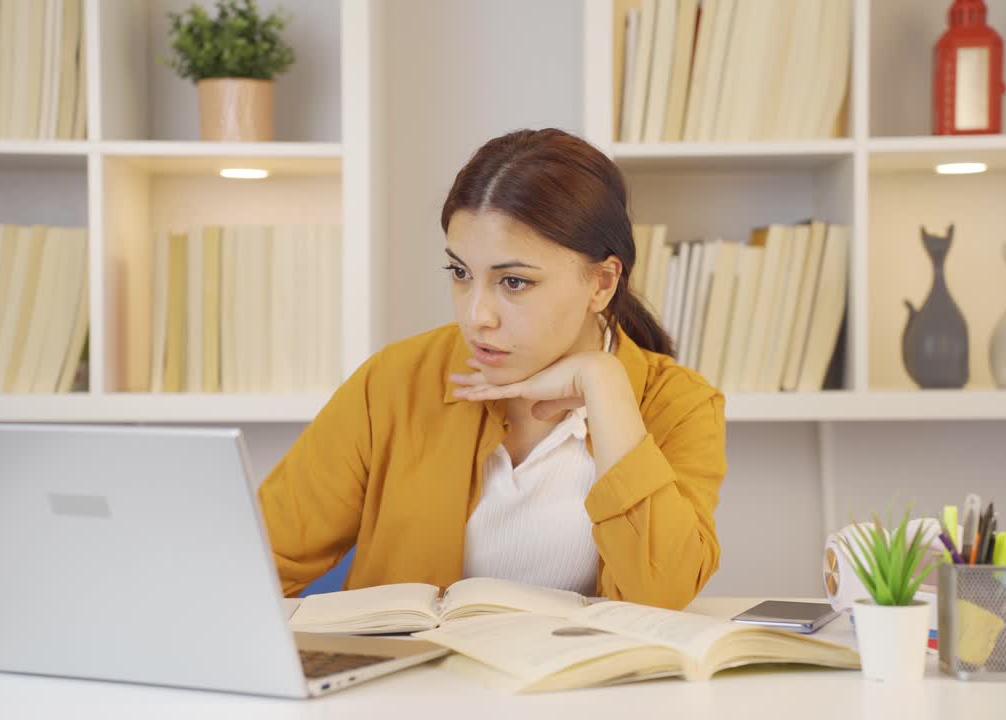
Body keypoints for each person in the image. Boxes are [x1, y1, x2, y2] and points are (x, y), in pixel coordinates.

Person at [257, 127, 726, 610]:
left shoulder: (679, 404)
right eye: (460, 273)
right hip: (411, 662)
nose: (476, 315)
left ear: (602, 284)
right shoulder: (393, 382)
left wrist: (605, 385)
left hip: (580, 665)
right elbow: (253, 565)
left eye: (514, 282)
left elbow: (659, 599)